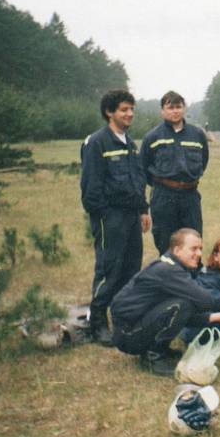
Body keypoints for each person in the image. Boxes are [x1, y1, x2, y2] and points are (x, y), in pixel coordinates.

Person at [110, 228, 220, 376]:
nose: (199, 254)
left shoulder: (171, 265)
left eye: (200, 249)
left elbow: (184, 312)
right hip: (128, 336)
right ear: (177, 250)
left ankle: (160, 349)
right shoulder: (169, 270)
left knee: (184, 303)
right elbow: (205, 300)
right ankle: (153, 356)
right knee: (183, 303)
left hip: (130, 330)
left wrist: (216, 317)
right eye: (194, 249)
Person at [80, 89, 151, 346]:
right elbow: (90, 188)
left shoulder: (130, 143)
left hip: (132, 216)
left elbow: (137, 180)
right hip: (110, 217)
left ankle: (122, 318)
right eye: (124, 109)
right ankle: (96, 322)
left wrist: (143, 210)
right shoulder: (97, 142)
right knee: (109, 269)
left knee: (131, 270)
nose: (129, 114)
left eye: (131, 109)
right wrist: (104, 217)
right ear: (110, 112)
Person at [140, 91, 209, 254]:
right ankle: (168, 278)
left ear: (184, 108)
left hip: (190, 196)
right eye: (170, 107)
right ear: (162, 111)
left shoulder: (197, 135)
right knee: (166, 244)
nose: (175, 111)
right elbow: (143, 169)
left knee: (193, 242)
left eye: (178, 107)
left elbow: (203, 161)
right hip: (164, 196)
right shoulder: (152, 137)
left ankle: (191, 279)